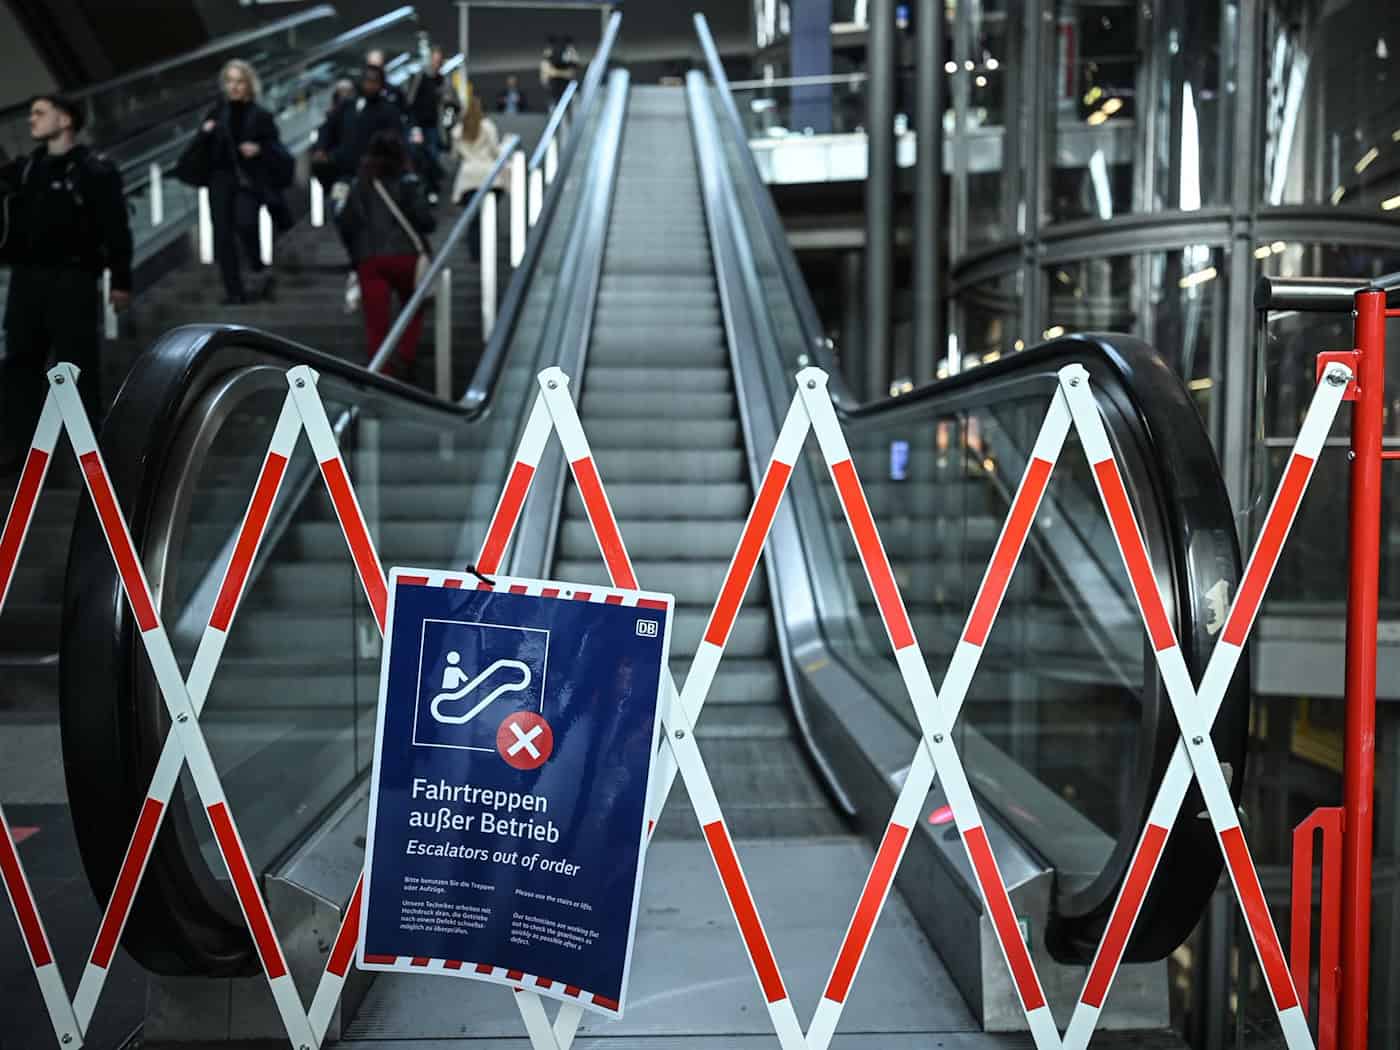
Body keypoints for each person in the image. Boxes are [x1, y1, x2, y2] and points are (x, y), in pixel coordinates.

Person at [0, 94, 131, 470]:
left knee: (76, 365)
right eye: (29, 114)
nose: (31, 121)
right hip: (27, 280)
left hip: (73, 279)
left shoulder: (93, 170)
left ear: (66, 120)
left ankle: (86, 449)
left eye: (40, 113)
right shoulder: (26, 169)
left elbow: (116, 228)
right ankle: (17, 449)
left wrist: (121, 280)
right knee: (20, 363)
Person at [178, 60, 293, 305]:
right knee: (222, 234)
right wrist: (205, 133)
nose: (234, 87)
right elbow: (199, 149)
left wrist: (259, 148)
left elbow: (276, 147)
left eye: (239, 81)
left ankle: (257, 266)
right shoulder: (216, 113)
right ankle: (234, 291)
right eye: (229, 81)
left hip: (248, 180)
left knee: (246, 222)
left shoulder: (260, 115)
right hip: (219, 178)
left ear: (249, 84)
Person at [334, 130, 436, 377]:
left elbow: (345, 222)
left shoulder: (359, 186)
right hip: (405, 257)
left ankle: (382, 371)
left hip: (369, 260)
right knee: (414, 305)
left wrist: (355, 256)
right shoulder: (408, 182)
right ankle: (405, 354)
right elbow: (426, 221)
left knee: (375, 321)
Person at [450, 94, 505, 263]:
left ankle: (476, 254)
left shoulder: (458, 131)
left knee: (473, 218)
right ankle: (489, 251)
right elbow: (496, 152)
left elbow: (454, 156)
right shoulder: (488, 127)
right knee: (488, 216)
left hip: (468, 179)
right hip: (489, 178)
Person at [404, 46, 453, 203]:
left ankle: (430, 188)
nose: (437, 64)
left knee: (432, 154)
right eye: (435, 60)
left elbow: (448, 101)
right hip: (418, 123)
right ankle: (424, 187)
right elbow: (410, 100)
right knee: (418, 155)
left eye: (439, 61)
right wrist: (412, 123)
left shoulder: (442, 79)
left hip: (434, 124)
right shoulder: (420, 77)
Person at [539, 36, 580, 103]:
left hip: (565, 88)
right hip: (551, 90)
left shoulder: (566, 58)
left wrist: (571, 51)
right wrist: (564, 73)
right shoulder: (546, 59)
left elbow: (575, 66)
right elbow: (551, 72)